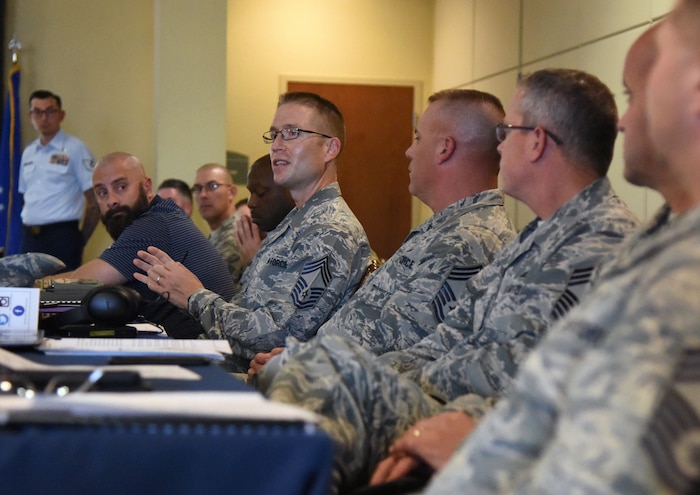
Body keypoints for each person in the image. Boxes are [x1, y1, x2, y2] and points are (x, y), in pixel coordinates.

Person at [260, 69, 640, 492]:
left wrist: (391, 389)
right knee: (313, 375)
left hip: (479, 423)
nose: (498, 146)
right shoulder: (537, 236)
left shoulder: (600, 243)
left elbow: (524, 376)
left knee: (311, 386)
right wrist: (363, 371)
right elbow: (446, 338)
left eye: (506, 131)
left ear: (536, 142)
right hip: (446, 403)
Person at [421, 8, 700, 493]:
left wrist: (465, 434)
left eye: (636, 96)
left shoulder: (638, 255)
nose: (625, 121)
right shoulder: (655, 246)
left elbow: (599, 466)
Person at [251, 89, 517, 381]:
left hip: (349, 397)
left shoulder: (469, 240)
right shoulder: (445, 228)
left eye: (417, 138)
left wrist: (302, 365)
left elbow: (405, 348)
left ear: (444, 148)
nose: (409, 151)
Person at [134, 92, 371, 371]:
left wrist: (194, 296)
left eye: (292, 133)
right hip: (225, 361)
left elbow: (277, 335)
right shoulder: (295, 221)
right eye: (274, 135)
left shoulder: (330, 231)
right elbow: (247, 310)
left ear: (330, 149)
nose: (277, 146)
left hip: (253, 380)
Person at [58, 152, 236, 338]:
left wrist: (31, 286)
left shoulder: (155, 225)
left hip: (210, 356)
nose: (112, 200)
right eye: (102, 192)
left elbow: (73, 287)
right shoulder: (160, 218)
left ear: (148, 187)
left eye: (121, 187)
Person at [18, 90, 99, 271]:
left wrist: (79, 240)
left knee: (59, 295)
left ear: (61, 115)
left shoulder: (76, 148)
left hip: (62, 236)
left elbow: (94, 200)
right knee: (28, 292)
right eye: (37, 112)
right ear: (30, 116)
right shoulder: (28, 152)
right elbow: (24, 196)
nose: (44, 117)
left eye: (50, 111)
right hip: (29, 236)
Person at [234, 154, 295, 270]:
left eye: (260, 193)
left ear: (291, 190)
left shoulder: (304, 240)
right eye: (250, 193)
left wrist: (254, 261)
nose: (251, 203)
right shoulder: (257, 240)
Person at [191, 163, 244, 282]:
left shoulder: (237, 235)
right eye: (198, 188)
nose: (203, 195)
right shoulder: (218, 233)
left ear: (232, 192)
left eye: (213, 186)